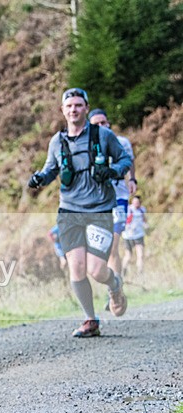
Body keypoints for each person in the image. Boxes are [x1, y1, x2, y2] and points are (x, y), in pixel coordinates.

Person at [28, 88, 132, 338]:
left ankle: (115, 285)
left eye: (78, 105)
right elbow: (51, 169)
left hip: (99, 210)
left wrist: (113, 171)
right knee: (76, 267)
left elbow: (124, 160)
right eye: (69, 106)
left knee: (97, 270)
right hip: (69, 212)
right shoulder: (57, 141)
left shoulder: (103, 135)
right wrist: (40, 178)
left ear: (86, 108)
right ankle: (90, 320)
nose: (73, 109)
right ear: (62, 111)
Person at [87, 108, 138, 309]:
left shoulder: (121, 142)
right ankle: (114, 286)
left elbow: (130, 160)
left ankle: (115, 291)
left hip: (118, 199)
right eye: (96, 123)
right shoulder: (85, 145)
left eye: (103, 123)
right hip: (95, 203)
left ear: (108, 124)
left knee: (113, 247)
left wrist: (132, 179)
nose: (100, 126)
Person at [123, 195, 148, 275]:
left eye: (138, 202)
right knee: (128, 256)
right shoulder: (128, 209)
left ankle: (140, 273)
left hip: (139, 235)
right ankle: (123, 270)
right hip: (128, 235)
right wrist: (129, 227)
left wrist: (146, 225)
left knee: (140, 255)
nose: (136, 204)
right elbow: (124, 221)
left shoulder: (142, 210)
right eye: (135, 202)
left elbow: (144, 220)